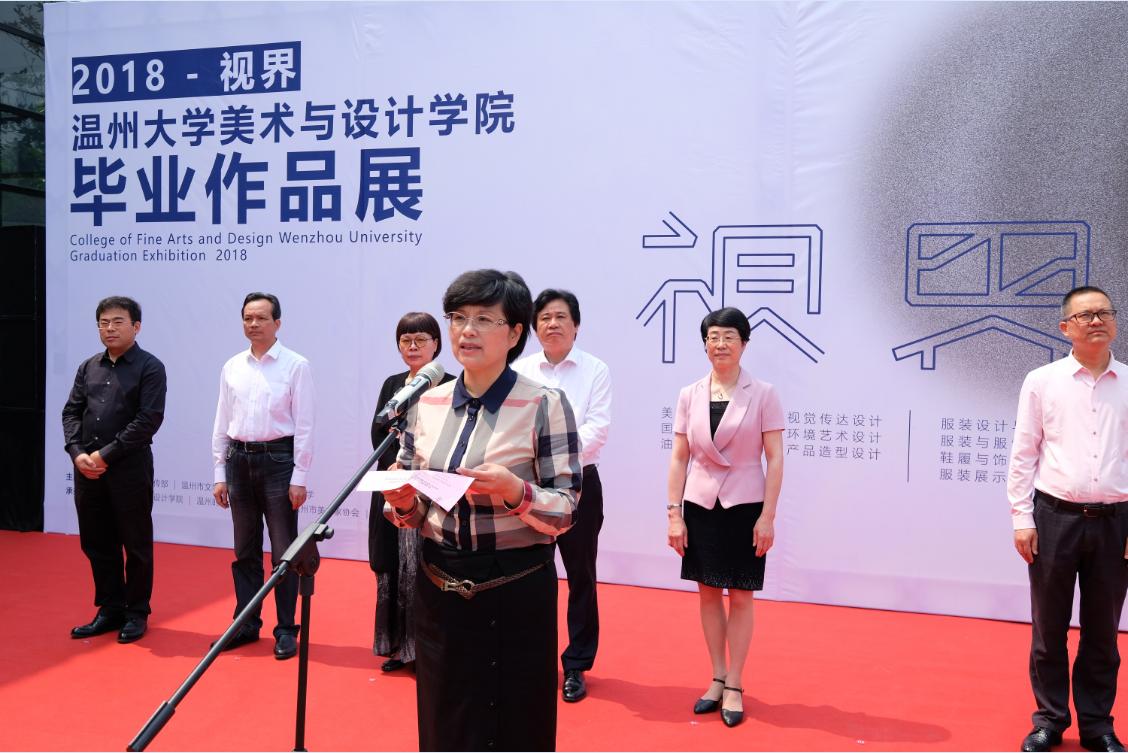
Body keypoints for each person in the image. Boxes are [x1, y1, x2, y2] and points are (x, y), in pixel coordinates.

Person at [383, 269, 581, 751]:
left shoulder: (543, 404)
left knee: (513, 721)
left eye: (484, 319)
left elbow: (566, 510)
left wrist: (517, 492)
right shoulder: (425, 403)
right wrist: (403, 504)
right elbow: (415, 506)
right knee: (445, 716)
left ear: (514, 333)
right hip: (439, 586)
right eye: (458, 318)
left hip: (515, 588)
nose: (466, 330)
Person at [1008, 286, 1128, 753]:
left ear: (1114, 322)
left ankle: (1097, 726)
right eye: (1085, 315)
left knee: (1103, 633)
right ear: (1065, 328)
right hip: (1054, 518)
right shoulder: (1043, 381)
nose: (1096, 320)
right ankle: (1049, 721)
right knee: (1049, 629)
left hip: (1117, 522)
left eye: (1104, 312)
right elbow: (1024, 452)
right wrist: (1022, 517)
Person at [666, 306, 784, 728]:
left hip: (745, 507)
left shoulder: (764, 393)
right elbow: (679, 458)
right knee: (707, 593)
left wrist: (768, 516)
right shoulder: (689, 394)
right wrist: (674, 513)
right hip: (700, 505)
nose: (720, 344)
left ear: (744, 344)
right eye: (713, 337)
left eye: (729, 337)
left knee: (742, 595)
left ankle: (735, 682)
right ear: (705, 345)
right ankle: (717, 676)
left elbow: (775, 458)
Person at [514, 289, 611, 702]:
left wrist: (553, 458)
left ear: (576, 325)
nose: (552, 324)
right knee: (528, 574)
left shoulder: (595, 370)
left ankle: (576, 664)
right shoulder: (519, 370)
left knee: (580, 575)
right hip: (531, 487)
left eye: (560, 317)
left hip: (580, 484)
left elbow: (597, 428)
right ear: (534, 328)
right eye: (544, 318)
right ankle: (531, 660)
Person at [211, 292, 314, 661]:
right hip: (239, 460)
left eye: (261, 318)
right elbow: (222, 421)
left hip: (279, 461)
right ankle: (245, 623)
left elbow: (305, 425)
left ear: (277, 323)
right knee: (245, 550)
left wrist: (299, 476)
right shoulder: (232, 366)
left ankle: (285, 629)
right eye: (247, 318)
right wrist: (219, 472)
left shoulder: (296, 365)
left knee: (285, 552)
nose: (253, 324)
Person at [63, 296, 167, 644]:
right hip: (88, 471)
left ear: (136, 326)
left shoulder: (150, 367)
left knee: (135, 544)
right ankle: (110, 608)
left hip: (129, 470)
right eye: (103, 323)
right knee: (97, 542)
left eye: (118, 322)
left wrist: (105, 456)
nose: (109, 328)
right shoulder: (88, 367)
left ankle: (136, 612)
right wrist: (77, 453)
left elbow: (148, 420)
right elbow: (71, 412)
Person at [369, 312, 453, 672]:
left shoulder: (451, 384)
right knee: (392, 565)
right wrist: (396, 467)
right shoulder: (393, 385)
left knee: (424, 568)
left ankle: (425, 653)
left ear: (436, 344)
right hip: (393, 484)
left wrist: (416, 469)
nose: (413, 346)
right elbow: (378, 433)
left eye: (421, 339)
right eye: (405, 340)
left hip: (430, 489)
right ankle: (399, 647)